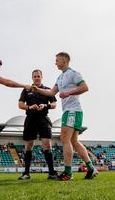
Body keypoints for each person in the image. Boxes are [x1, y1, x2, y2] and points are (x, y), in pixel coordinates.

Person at [33, 52, 98, 181]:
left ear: (64, 61)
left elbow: (85, 87)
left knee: (64, 139)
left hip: (73, 110)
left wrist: (68, 93)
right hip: (70, 111)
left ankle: (68, 173)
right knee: (74, 141)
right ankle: (91, 168)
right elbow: (52, 92)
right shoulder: (60, 77)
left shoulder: (73, 73)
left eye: (57, 60)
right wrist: (38, 89)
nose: (55, 62)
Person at [18, 69, 59, 180]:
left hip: (43, 119)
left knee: (47, 145)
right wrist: (29, 107)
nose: (36, 78)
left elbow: (54, 104)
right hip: (30, 119)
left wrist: (45, 106)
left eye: (38, 76)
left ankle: (51, 173)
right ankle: (26, 173)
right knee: (28, 146)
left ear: (41, 77)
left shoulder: (47, 90)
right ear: (32, 78)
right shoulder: (27, 89)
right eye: (34, 76)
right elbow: (20, 104)